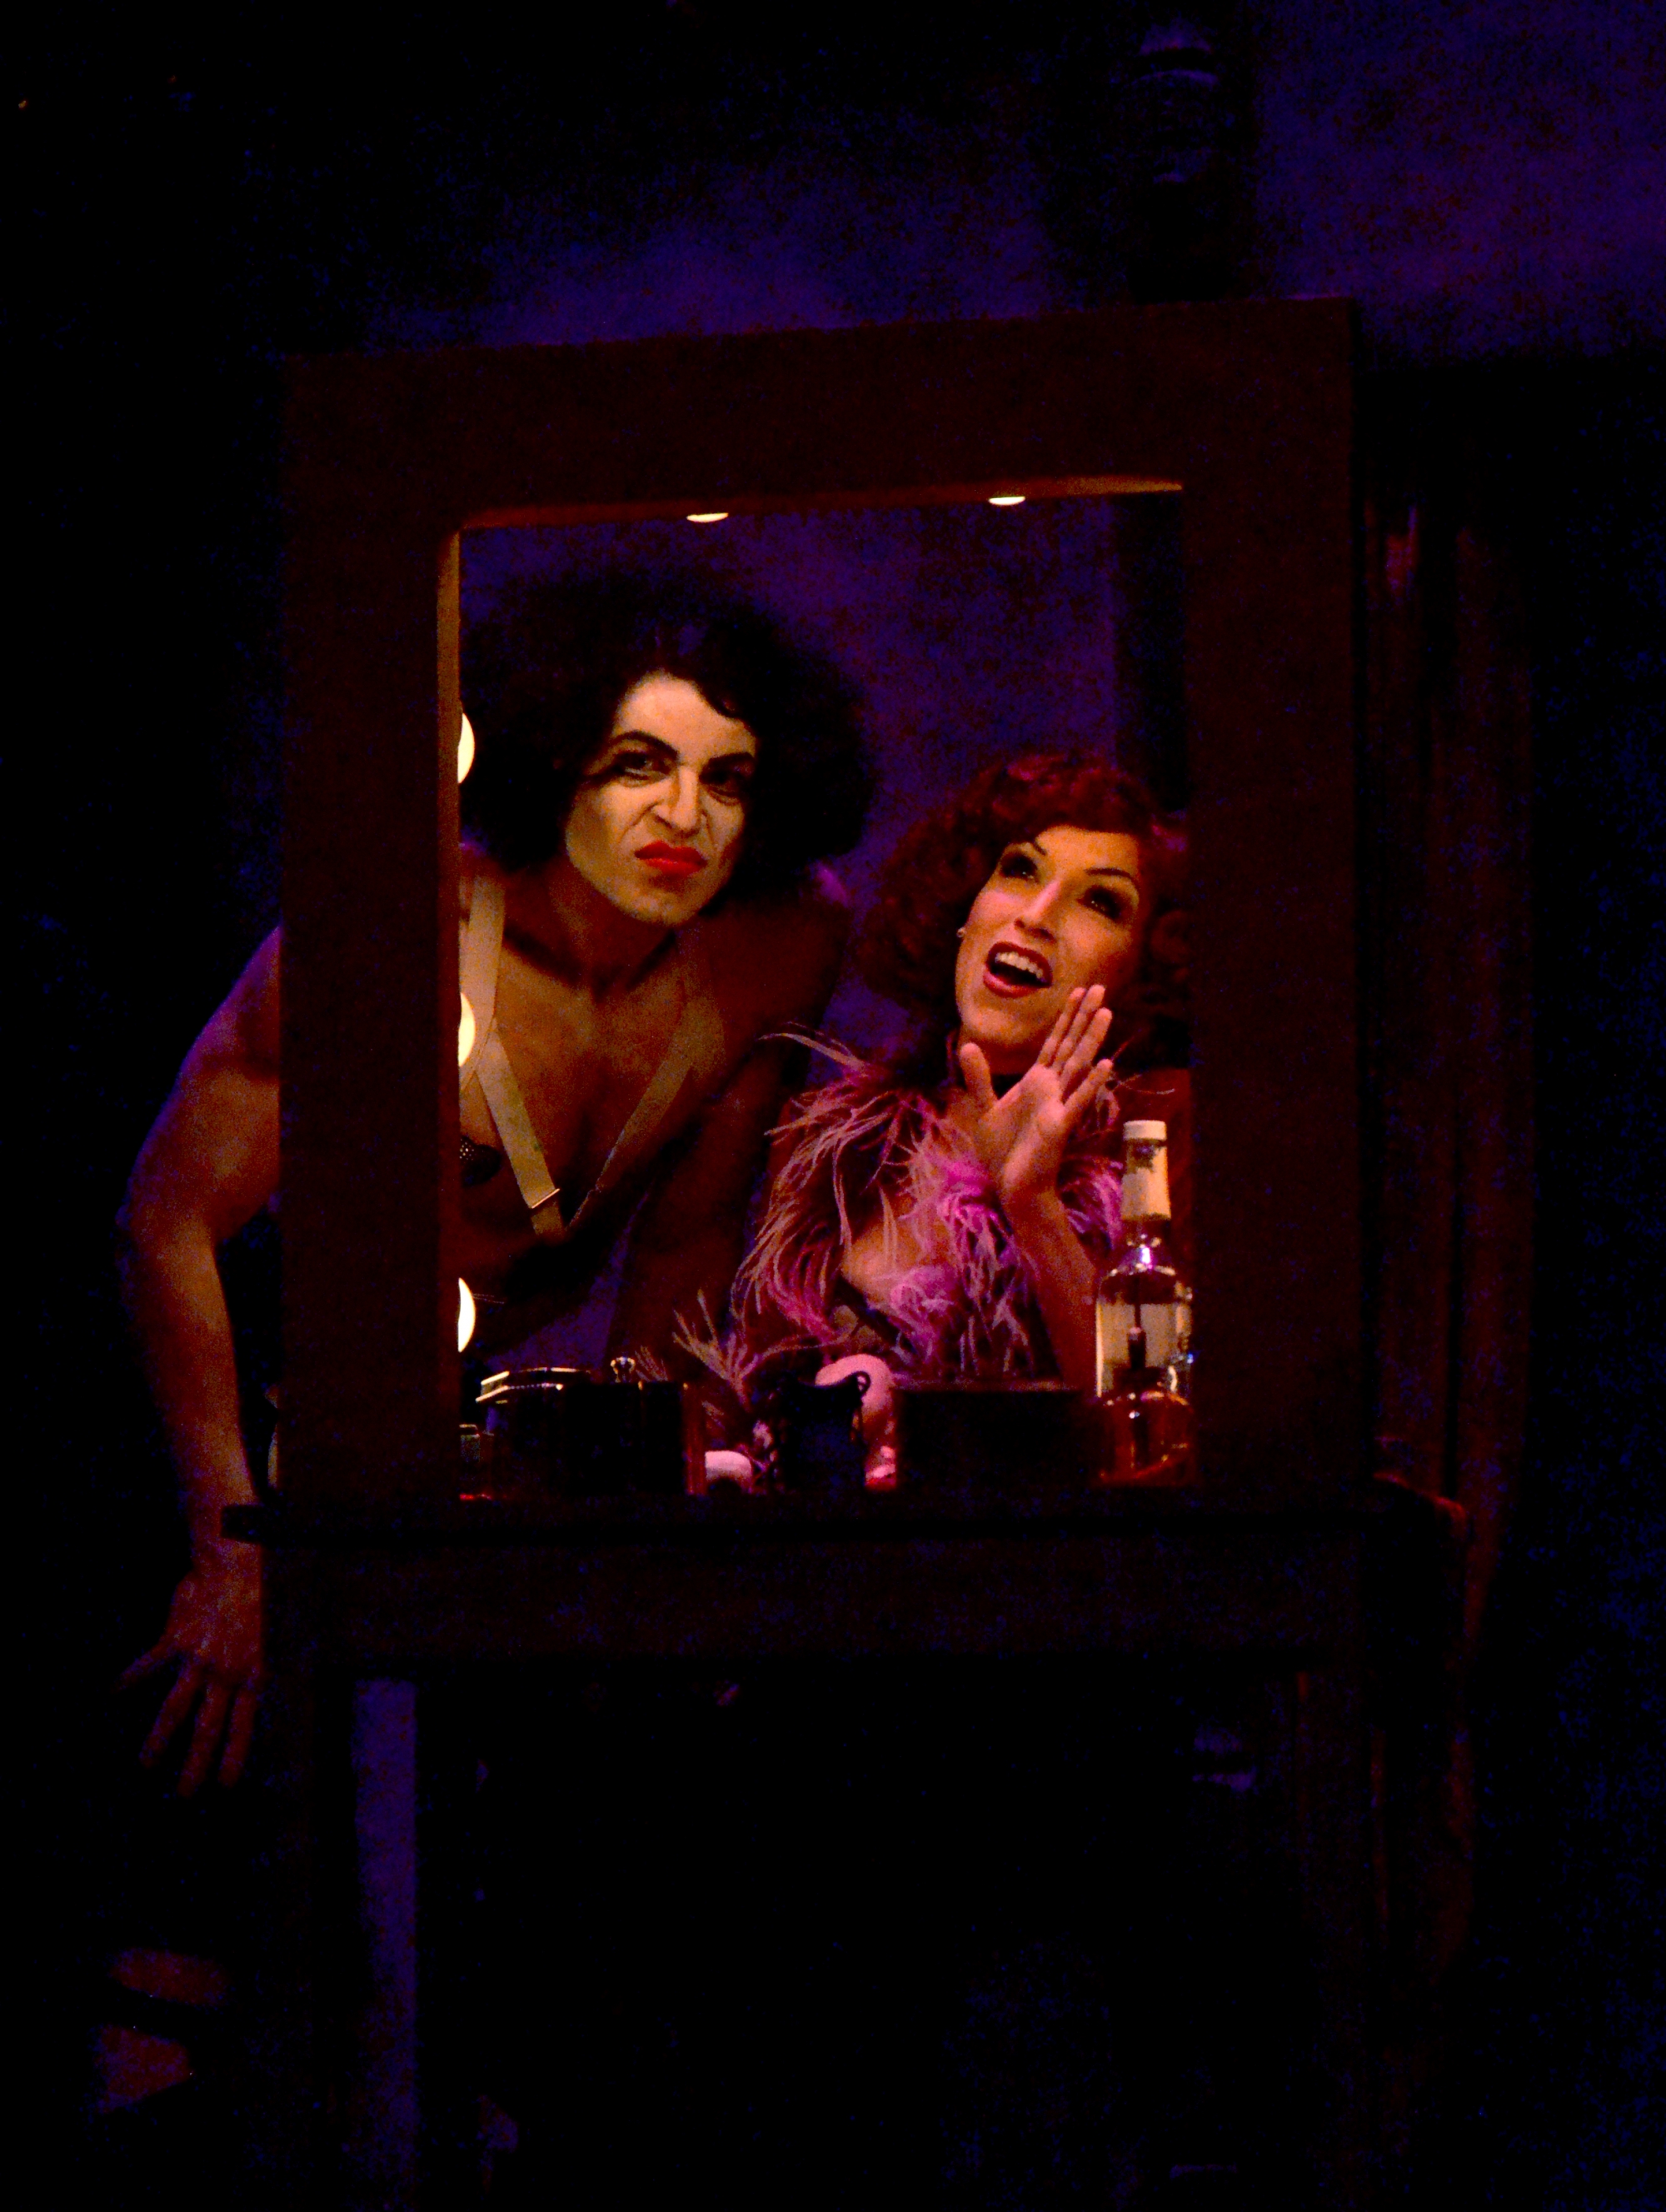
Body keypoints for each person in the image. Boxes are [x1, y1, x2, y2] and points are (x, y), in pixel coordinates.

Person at [116, 570, 870, 1801]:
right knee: (218, 1788)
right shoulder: (392, 923)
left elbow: (686, 1240)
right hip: (220, 1384)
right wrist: (230, 1546)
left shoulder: (780, 943)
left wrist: (647, 1510)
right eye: (637, 764)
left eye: (726, 778)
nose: (683, 815)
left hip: (459, 1412)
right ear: (557, 762)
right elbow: (165, 1222)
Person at [702, 750, 1189, 1471]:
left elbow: (1155, 1434)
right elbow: (753, 1414)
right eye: (1019, 870)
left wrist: (1033, 1204)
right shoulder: (827, 1142)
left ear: (1140, 967)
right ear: (965, 911)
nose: (1036, 914)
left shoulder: (1163, 1131)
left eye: (1100, 902)